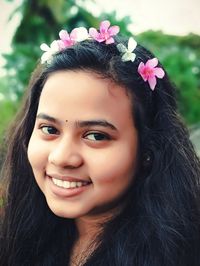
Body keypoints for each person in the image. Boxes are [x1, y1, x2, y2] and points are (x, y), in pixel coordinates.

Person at [0, 20, 200, 266]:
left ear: (148, 149)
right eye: (49, 129)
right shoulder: (16, 238)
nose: (61, 157)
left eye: (96, 135)